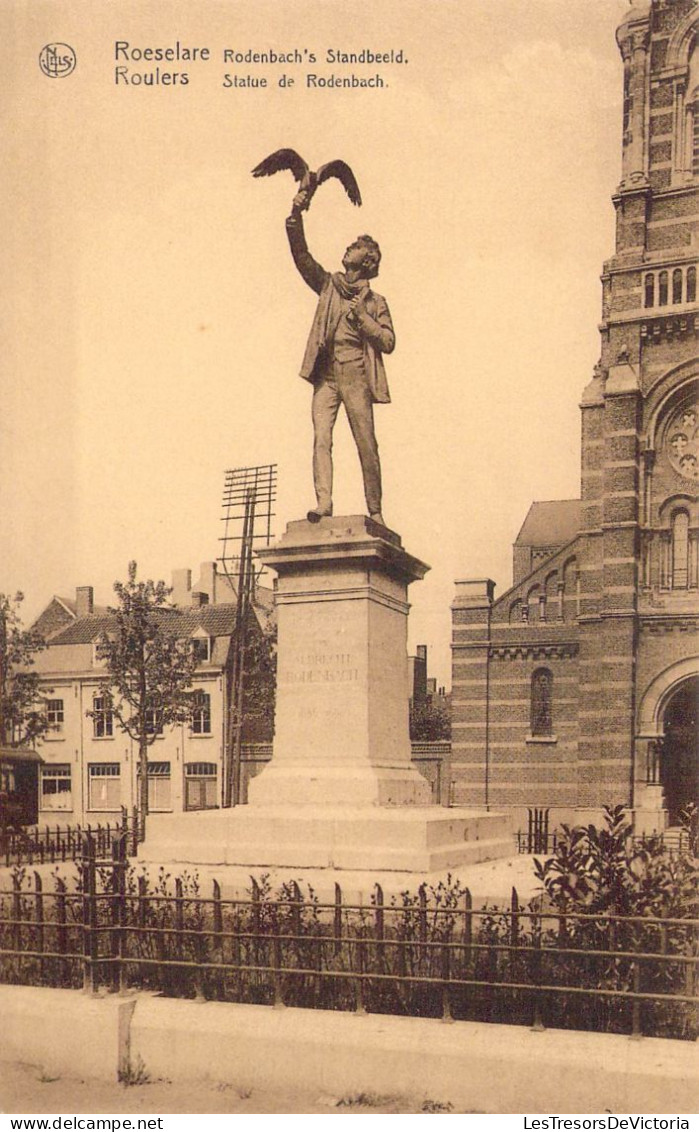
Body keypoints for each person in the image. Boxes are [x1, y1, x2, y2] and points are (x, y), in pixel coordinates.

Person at [285, 186, 395, 527]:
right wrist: (295, 218)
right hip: (327, 375)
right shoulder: (329, 284)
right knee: (321, 437)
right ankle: (324, 502)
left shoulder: (376, 302)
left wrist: (362, 321)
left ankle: (375, 510)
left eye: (355, 247)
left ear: (367, 261)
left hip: (356, 374)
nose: (347, 249)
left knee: (366, 443)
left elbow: (389, 341)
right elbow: (303, 259)